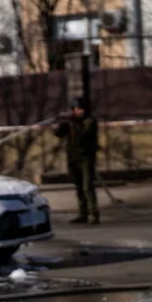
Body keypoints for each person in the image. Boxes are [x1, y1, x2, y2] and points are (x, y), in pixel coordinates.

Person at [54, 96, 100, 224]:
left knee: (87, 186)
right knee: (79, 186)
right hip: (73, 157)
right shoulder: (70, 123)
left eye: (82, 109)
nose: (81, 111)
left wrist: (72, 121)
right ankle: (82, 213)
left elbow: (84, 135)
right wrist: (63, 123)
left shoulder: (90, 121)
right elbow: (58, 133)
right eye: (78, 109)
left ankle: (93, 213)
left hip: (85, 157)